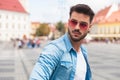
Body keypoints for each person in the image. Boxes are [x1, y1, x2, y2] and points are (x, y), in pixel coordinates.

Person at [29, 4, 95, 80]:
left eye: (83, 25)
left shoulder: (84, 51)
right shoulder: (54, 49)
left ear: (89, 27)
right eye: (73, 22)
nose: (77, 27)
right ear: (68, 22)